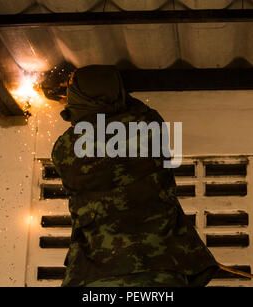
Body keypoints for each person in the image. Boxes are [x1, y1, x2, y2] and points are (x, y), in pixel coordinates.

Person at [49, 65, 219, 287]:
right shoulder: (150, 126)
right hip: (162, 268)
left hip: (93, 273)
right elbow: (133, 109)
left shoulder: (64, 148)